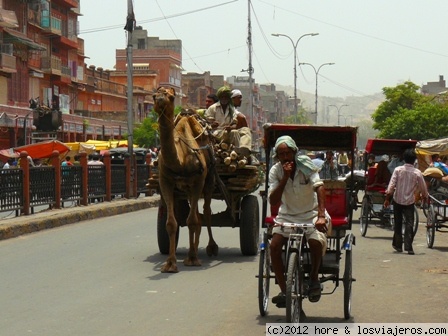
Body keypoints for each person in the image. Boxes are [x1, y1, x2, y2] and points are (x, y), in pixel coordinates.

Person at [269, 136, 329, 306]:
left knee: (315, 242)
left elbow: (319, 187)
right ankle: (283, 290)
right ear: (278, 156)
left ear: (294, 152)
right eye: (281, 154)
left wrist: (321, 215)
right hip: (286, 215)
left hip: (310, 214)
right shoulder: (276, 171)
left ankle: (314, 278)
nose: (285, 157)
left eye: (288, 153)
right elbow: (273, 200)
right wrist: (284, 177)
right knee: (274, 246)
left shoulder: (307, 166)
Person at [384, 148, 428, 255]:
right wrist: (425, 196)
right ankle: (409, 247)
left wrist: (387, 198)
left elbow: (391, 185)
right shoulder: (417, 173)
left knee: (398, 222)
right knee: (409, 224)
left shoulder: (398, 170)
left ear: (404, 159)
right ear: (414, 160)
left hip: (397, 200)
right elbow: (423, 187)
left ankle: (398, 246)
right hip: (409, 202)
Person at [204, 86, 252, 158]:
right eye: (222, 97)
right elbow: (207, 123)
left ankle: (243, 149)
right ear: (219, 98)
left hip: (228, 132)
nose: (224, 99)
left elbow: (235, 123)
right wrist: (213, 125)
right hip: (216, 133)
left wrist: (231, 127)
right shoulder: (212, 108)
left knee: (244, 130)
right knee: (234, 132)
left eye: (226, 97)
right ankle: (238, 155)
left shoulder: (231, 109)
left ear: (229, 98)